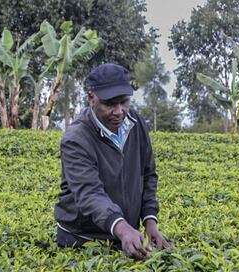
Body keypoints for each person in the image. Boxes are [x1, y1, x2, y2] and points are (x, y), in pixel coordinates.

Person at [54, 63, 169, 259]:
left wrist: (150, 220)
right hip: (83, 240)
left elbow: (147, 174)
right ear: (91, 98)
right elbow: (89, 193)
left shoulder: (136, 124)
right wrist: (122, 227)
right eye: (109, 104)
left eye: (124, 102)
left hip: (124, 236)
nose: (119, 111)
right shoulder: (76, 139)